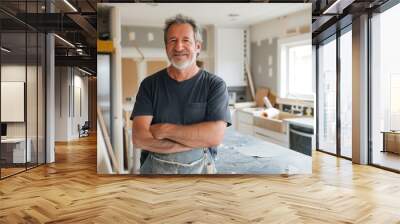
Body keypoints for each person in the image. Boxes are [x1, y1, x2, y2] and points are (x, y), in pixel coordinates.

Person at [131, 14, 231, 174]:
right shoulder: (149, 85)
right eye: (172, 41)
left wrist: (165, 129)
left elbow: (214, 136)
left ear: (197, 47)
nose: (178, 47)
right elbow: (139, 138)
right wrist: (193, 141)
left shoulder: (215, 85)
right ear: (166, 48)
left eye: (186, 40)